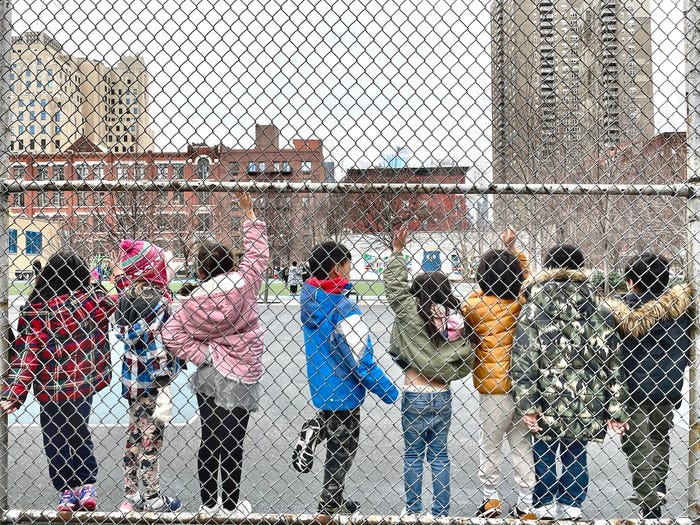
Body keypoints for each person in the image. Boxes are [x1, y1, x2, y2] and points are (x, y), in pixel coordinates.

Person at [162, 192, 268, 518]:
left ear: (203, 271)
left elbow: (170, 334)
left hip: (210, 372)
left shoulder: (193, 301)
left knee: (210, 440)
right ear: (231, 264)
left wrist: (203, 353)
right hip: (243, 372)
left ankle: (208, 504)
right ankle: (231, 505)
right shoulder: (245, 283)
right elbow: (258, 255)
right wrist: (248, 214)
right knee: (233, 442)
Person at [0, 251, 127, 512]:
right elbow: (124, 299)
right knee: (79, 432)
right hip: (82, 385)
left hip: (51, 390)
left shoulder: (38, 311)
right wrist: (119, 274)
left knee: (55, 438)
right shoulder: (93, 302)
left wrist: (14, 392)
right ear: (83, 276)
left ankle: (66, 491)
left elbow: (27, 353)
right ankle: (87, 484)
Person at [510, 244, 628, 520]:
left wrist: (527, 404)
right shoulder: (600, 309)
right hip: (586, 397)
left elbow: (524, 360)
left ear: (548, 269)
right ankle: (572, 503)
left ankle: (544, 503)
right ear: (580, 268)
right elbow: (613, 363)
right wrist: (616, 409)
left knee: (544, 452)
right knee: (576, 452)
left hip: (546, 396)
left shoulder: (533, 308)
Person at [291, 240, 399, 515]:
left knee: (336, 433)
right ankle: (329, 502)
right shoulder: (345, 309)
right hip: (346, 389)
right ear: (337, 267)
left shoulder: (310, 299)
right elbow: (361, 361)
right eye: (348, 266)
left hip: (322, 383)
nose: (351, 273)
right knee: (344, 449)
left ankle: (319, 432)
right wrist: (389, 392)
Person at [384, 228, 474, 518]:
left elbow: (396, 289)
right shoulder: (456, 318)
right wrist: (448, 369)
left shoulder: (411, 312)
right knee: (439, 456)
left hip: (414, 392)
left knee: (412, 455)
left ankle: (412, 510)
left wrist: (398, 251)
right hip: (442, 394)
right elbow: (469, 354)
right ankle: (441, 512)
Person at [605, 253, 691, 519]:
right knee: (658, 437)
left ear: (631, 282)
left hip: (634, 390)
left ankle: (649, 502)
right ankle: (658, 486)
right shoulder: (681, 310)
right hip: (668, 388)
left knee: (637, 446)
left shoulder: (622, 312)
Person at [460, 228, 535, 519]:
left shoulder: (475, 305)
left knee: (490, 443)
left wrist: (482, 285)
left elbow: (471, 296)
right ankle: (527, 504)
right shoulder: (521, 302)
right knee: (521, 444)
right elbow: (528, 279)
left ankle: (491, 499)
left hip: (493, 387)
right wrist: (514, 250)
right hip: (524, 384)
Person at [115, 240, 183, 512]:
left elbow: (132, 335)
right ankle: (153, 498)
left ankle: (130, 497)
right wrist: (165, 381)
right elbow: (157, 348)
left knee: (133, 437)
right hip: (154, 385)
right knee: (151, 442)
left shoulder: (126, 300)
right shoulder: (159, 305)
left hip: (132, 382)